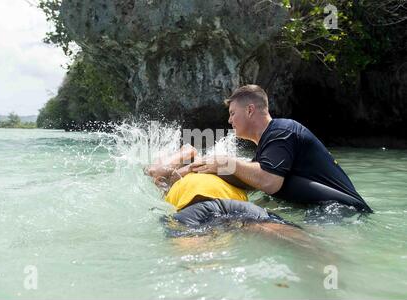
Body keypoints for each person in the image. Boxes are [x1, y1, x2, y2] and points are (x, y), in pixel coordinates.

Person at [190, 85, 372, 213]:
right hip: (328, 210)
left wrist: (227, 162)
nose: (229, 121)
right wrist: (208, 168)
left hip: (341, 210)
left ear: (250, 110)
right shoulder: (268, 147)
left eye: (232, 113)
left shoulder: (282, 131)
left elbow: (269, 181)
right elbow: (251, 181)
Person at [144, 144, 313, 247]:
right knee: (196, 263)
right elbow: (153, 172)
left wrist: (191, 158)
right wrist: (185, 159)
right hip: (200, 211)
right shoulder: (172, 180)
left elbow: (257, 180)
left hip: (226, 206)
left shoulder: (219, 166)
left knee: (300, 241)